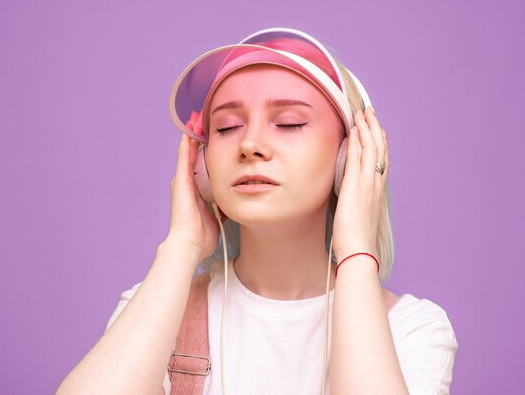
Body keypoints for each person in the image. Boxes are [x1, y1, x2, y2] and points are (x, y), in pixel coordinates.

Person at [56, 28, 458, 395]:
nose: (249, 145)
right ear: (203, 165)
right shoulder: (156, 309)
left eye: (288, 122)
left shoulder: (412, 328)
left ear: (349, 157)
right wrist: (183, 243)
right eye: (227, 127)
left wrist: (356, 248)